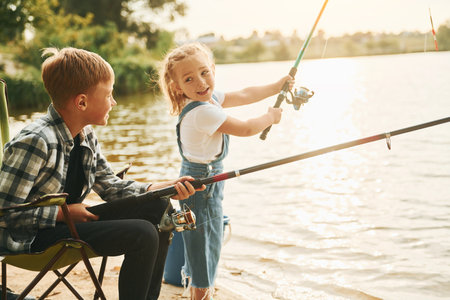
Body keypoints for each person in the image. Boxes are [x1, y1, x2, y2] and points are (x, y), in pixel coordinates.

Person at [0, 47, 205, 300]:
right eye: (109, 94)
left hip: (68, 223)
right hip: (32, 238)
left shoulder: (86, 135)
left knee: (160, 207)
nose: (114, 102)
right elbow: (5, 213)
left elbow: (111, 187)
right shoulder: (36, 141)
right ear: (82, 102)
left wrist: (165, 186)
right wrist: (61, 215)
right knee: (142, 233)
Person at [159, 42, 294, 300]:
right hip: (201, 188)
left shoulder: (208, 100)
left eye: (204, 72)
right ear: (178, 87)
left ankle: (203, 294)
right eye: (189, 78)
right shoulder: (202, 113)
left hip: (208, 183)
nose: (200, 82)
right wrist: (270, 118)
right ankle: (201, 296)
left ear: (212, 68)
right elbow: (244, 128)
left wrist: (277, 86)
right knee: (202, 248)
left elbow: (244, 94)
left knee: (208, 244)